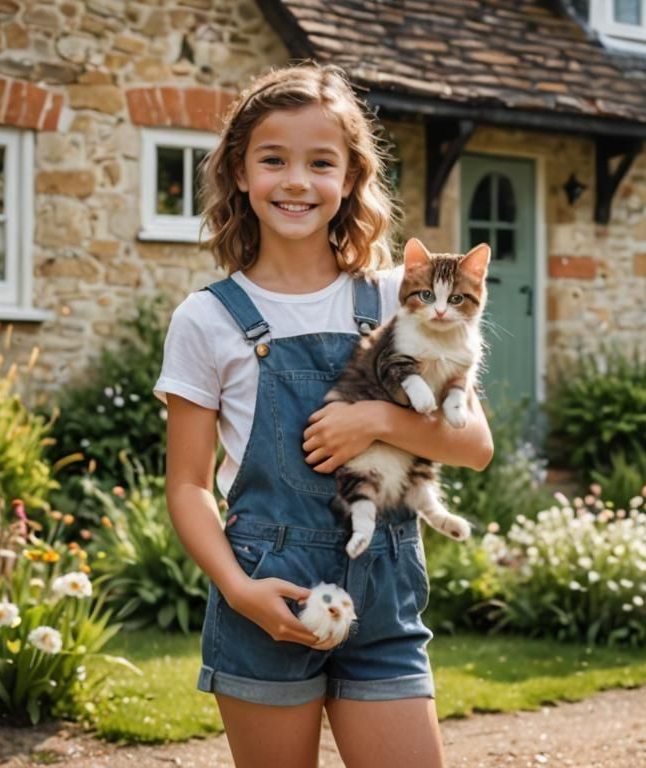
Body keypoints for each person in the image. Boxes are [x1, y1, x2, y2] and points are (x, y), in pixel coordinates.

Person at [154, 64, 494, 768]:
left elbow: (476, 445)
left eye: (321, 163)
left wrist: (376, 420)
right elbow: (187, 485)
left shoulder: (394, 295)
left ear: (349, 179)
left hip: (387, 591)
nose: (297, 182)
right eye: (273, 159)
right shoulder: (207, 319)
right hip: (268, 587)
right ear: (241, 174)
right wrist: (242, 592)